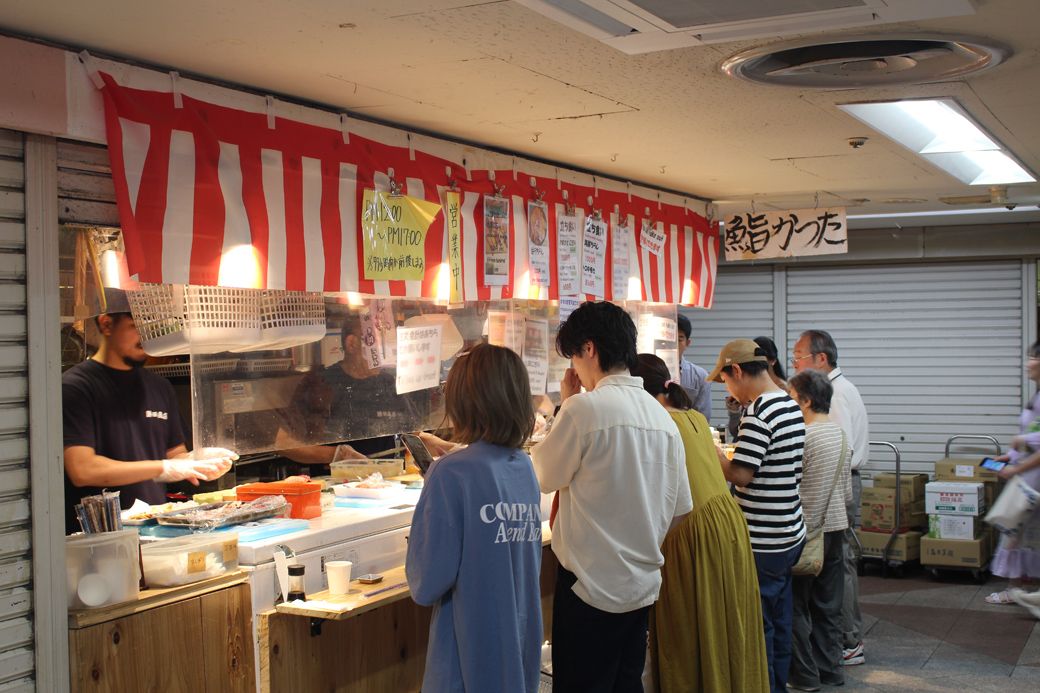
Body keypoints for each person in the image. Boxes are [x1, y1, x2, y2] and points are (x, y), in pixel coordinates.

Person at [531, 301, 692, 693]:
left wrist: (566, 404)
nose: (575, 369)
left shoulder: (584, 410)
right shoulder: (661, 418)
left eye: (573, 356)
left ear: (589, 348)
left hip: (588, 588)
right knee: (625, 684)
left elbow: (542, 475)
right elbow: (680, 510)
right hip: (640, 587)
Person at [406, 343, 543, 693]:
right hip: (517, 652)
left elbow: (426, 582)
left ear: (463, 400)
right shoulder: (523, 466)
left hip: (464, 663)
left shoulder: (449, 474)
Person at [632, 353, 768, 693]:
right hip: (724, 525)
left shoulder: (659, 423)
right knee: (726, 627)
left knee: (691, 631)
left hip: (691, 533)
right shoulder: (691, 415)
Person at [62, 308, 235, 534]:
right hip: (98, 537)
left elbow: (175, 455)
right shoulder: (76, 387)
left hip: (156, 531)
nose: (146, 337)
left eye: (151, 328)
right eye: (136, 327)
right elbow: (82, 469)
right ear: (106, 325)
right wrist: (164, 467)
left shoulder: (159, 387)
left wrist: (198, 462)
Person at [708, 338, 805, 693]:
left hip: (762, 539)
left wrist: (712, 450)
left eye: (727, 381)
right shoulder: (789, 404)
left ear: (736, 371)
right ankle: (777, 684)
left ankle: (764, 687)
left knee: (758, 625)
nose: (730, 390)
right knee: (779, 621)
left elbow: (740, 475)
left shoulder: (760, 412)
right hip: (789, 531)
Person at [791, 329, 869, 667]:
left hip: (835, 487)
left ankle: (848, 640)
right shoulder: (841, 387)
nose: (795, 364)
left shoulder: (834, 393)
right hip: (841, 485)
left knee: (837, 569)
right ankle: (840, 641)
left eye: (799, 357)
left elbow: (839, 448)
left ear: (821, 359)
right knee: (838, 567)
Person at [275, 313, 421, 464]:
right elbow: (283, 443)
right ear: (352, 344)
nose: (385, 353)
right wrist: (336, 455)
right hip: (338, 483)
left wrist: (441, 447)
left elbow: (414, 433)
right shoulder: (320, 383)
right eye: (377, 344)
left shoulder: (389, 383)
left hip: (389, 480)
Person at [786, 370, 852, 692]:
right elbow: (847, 494)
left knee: (796, 606)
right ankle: (831, 672)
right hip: (836, 529)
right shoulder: (840, 435)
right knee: (828, 607)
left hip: (805, 533)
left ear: (806, 401)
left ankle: (805, 677)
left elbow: (794, 490)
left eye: (790, 397)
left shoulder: (803, 437)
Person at [990, 341, 1040, 607]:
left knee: (1015, 530)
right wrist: (1010, 456)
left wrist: (1016, 467)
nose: (1027, 362)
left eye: (1033, 357)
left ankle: (1016, 587)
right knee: (1019, 531)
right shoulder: (1037, 396)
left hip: (1032, 479)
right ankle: (1017, 587)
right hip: (1029, 476)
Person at [726, 336, 787, 441]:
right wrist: (734, 412)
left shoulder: (783, 391)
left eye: (763, 361)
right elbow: (736, 431)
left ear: (773, 361)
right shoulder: (746, 390)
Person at [677, 314, 712, 422]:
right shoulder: (649, 371)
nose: (673, 344)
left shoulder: (701, 376)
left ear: (687, 343)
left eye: (679, 339)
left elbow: (703, 418)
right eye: (669, 338)